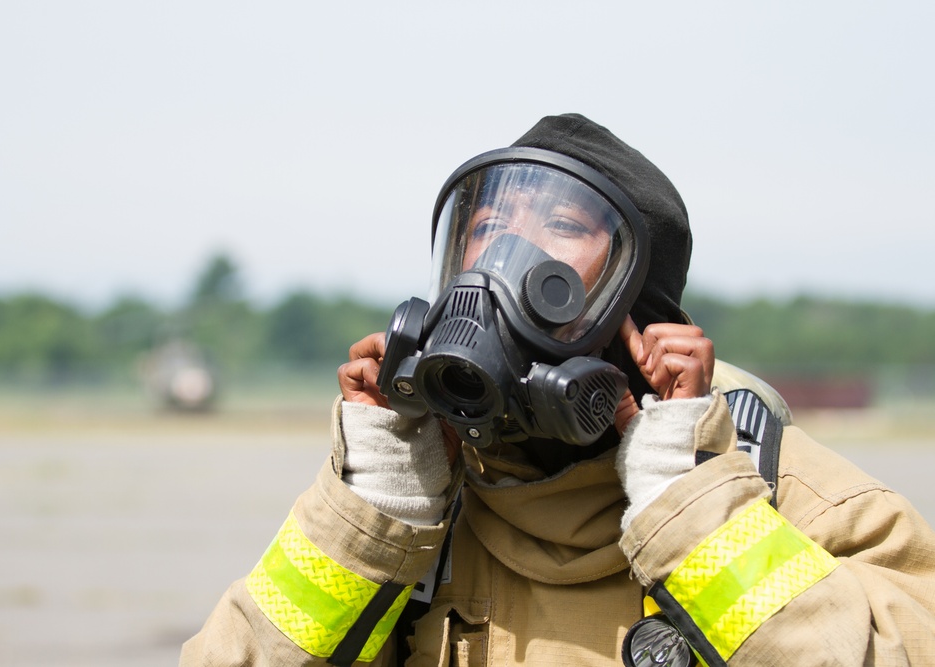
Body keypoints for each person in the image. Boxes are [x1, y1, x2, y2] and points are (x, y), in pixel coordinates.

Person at [180, 114, 935, 666]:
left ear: (642, 315)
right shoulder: (417, 506)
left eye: (564, 224)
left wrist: (694, 509)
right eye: (492, 222)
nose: (506, 254)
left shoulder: (790, 495)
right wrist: (370, 516)